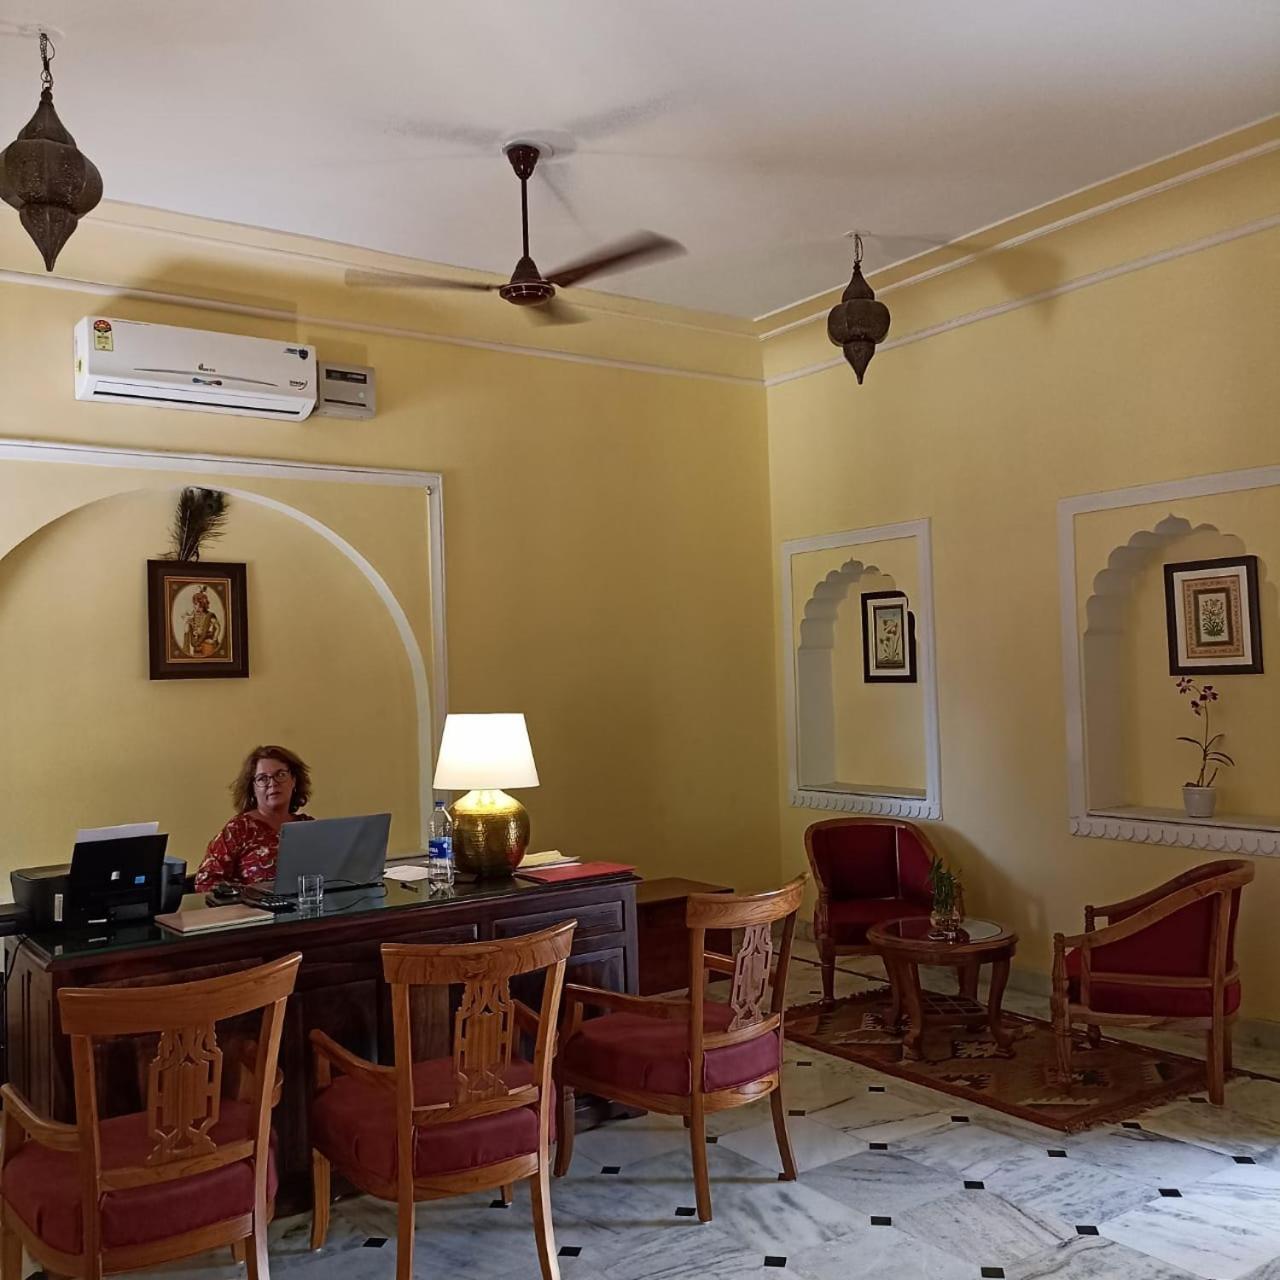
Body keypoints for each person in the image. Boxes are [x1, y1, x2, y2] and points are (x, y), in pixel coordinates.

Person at [195, 745, 314, 892]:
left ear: (294, 780)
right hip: (252, 906)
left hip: (311, 905)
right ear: (253, 788)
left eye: (281, 774)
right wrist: (247, 896)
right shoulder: (239, 829)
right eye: (262, 778)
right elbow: (205, 882)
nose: (273, 783)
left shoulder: (309, 827)